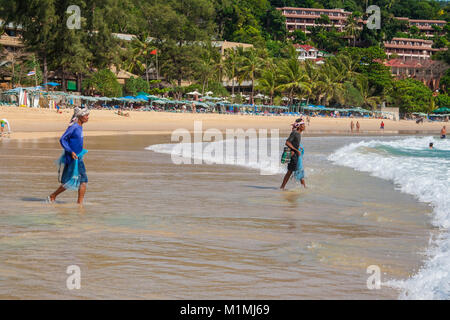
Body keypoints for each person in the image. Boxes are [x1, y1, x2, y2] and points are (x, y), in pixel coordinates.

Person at [48, 109, 90, 204]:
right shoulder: (74, 127)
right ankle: (80, 205)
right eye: (86, 115)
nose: (88, 117)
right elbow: (63, 139)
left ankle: (53, 196)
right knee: (83, 181)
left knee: (72, 180)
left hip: (78, 157)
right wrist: (71, 151)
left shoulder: (79, 126)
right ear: (80, 116)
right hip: (73, 158)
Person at [280, 120, 306, 190]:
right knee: (294, 171)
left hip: (295, 155)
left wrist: (298, 147)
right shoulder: (296, 133)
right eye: (303, 124)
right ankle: (304, 188)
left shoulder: (298, 133)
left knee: (294, 171)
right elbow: (287, 142)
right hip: (293, 155)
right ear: (299, 126)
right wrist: (296, 150)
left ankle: (282, 187)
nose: (304, 126)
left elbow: (293, 142)